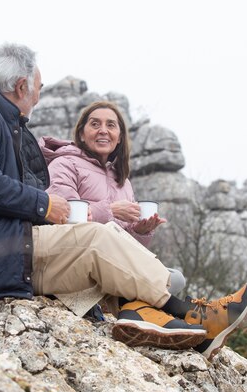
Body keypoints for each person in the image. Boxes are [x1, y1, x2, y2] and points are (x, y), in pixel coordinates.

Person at [0, 42, 247, 361]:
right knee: (96, 238)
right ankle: (192, 314)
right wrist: (44, 205)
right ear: (21, 86)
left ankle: (165, 319)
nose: (38, 96)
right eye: (37, 88)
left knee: (102, 247)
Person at [39, 101, 186, 296]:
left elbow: (126, 247)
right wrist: (111, 211)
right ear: (82, 134)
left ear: (119, 137)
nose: (103, 130)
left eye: (110, 125)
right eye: (94, 124)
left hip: (114, 262)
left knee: (176, 277)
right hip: (75, 260)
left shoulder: (122, 181)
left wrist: (140, 231)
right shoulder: (64, 164)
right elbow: (66, 218)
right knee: (165, 281)